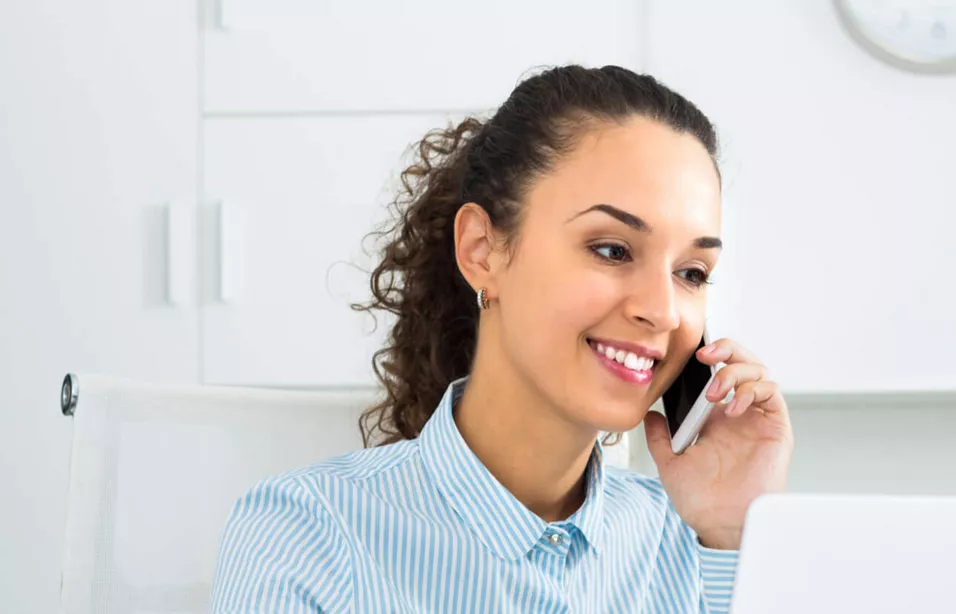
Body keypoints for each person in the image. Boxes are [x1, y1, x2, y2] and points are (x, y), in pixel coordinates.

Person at [208, 65, 793, 613]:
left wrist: (734, 534)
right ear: (482, 251)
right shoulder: (306, 535)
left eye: (691, 273)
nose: (662, 311)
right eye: (611, 250)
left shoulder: (689, 544)